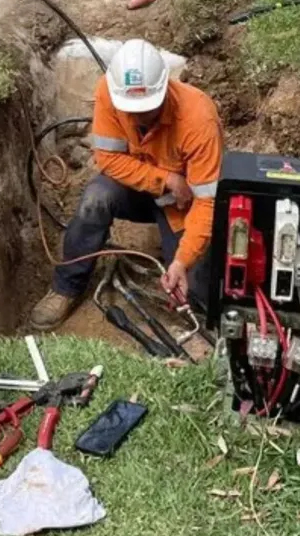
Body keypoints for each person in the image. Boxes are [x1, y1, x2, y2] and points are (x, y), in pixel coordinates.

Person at [29, 39, 223, 331]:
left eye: (147, 108)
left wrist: (183, 260)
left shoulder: (198, 118)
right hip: (141, 189)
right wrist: (166, 179)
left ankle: (180, 263)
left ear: (165, 88)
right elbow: (108, 159)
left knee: (197, 297)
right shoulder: (109, 92)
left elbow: (207, 203)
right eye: (131, 109)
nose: (137, 116)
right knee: (96, 197)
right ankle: (66, 286)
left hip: (184, 205)